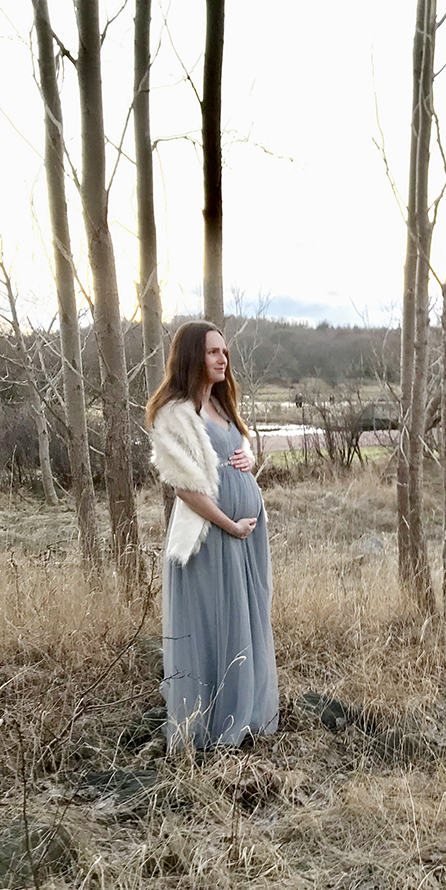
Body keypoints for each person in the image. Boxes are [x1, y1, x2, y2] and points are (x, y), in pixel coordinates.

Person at [147, 321, 279, 750]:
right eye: (213, 352)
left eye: (224, 351)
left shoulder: (223, 405)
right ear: (191, 357)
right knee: (214, 626)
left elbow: (233, 460)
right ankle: (209, 724)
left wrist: (247, 457)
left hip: (244, 537)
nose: (223, 359)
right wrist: (229, 524)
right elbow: (185, 488)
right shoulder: (174, 414)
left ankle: (245, 714)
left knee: (244, 621)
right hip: (211, 537)